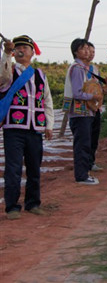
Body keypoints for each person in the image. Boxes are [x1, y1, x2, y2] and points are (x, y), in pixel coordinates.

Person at [0, 35, 54, 219]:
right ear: (14, 52)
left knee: (34, 168)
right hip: (14, 127)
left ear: (32, 52)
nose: (22, 50)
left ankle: (33, 203)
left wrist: (49, 124)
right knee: (13, 168)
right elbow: (2, 75)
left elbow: (47, 101)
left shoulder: (40, 75)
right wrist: (6, 53)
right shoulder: (9, 72)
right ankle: (12, 207)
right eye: (18, 47)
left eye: (26, 47)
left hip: (35, 129)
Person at [63, 38, 102, 185]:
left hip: (85, 112)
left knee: (85, 142)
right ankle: (81, 175)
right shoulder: (78, 68)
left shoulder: (83, 68)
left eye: (88, 48)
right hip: (80, 112)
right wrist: (94, 96)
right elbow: (77, 93)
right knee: (82, 144)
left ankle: (84, 173)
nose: (87, 51)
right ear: (75, 52)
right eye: (83, 48)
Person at [86, 42, 104, 172]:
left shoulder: (95, 69)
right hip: (82, 108)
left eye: (93, 52)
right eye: (88, 51)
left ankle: (91, 162)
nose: (90, 54)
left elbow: (97, 87)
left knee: (94, 136)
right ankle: (83, 165)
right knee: (84, 137)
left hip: (95, 107)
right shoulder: (76, 68)